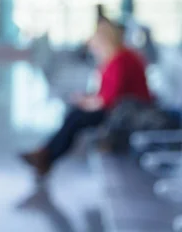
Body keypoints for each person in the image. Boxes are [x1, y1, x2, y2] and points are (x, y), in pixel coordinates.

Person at [20, 18, 151, 177]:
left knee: (76, 117)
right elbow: (106, 93)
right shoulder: (116, 58)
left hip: (128, 112)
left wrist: (87, 102)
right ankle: (46, 154)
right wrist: (87, 100)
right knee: (75, 114)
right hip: (121, 108)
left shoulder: (121, 60)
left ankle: (46, 155)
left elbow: (109, 100)